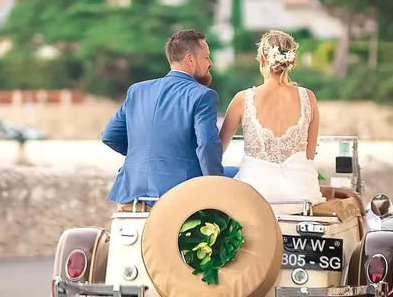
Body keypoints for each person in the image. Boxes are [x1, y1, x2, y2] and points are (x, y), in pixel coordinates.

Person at [100, 29, 224, 211]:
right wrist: (217, 186)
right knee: (233, 175)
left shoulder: (137, 91)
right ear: (190, 59)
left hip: (131, 194)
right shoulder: (203, 96)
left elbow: (109, 136)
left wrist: (148, 154)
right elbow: (206, 145)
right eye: (206, 58)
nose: (210, 64)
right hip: (178, 197)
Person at [218, 30, 326, 209]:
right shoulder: (309, 98)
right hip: (301, 195)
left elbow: (218, 150)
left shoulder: (243, 99)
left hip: (256, 195)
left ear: (261, 59)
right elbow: (309, 154)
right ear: (292, 62)